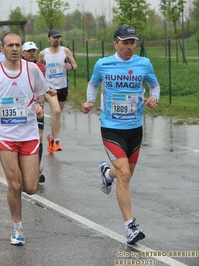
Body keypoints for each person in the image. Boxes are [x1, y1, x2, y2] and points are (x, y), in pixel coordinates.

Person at [81, 24, 160, 245]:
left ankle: (107, 174)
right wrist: (89, 101)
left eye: (132, 42)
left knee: (123, 175)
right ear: (115, 43)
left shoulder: (144, 64)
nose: (129, 47)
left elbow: (155, 86)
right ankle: (130, 228)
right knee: (124, 175)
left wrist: (155, 99)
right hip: (111, 127)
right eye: (125, 42)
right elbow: (93, 83)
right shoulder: (103, 64)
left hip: (135, 129)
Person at [0, 32, 48, 245]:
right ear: (3, 48)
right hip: (5, 135)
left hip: (28, 135)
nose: (15, 48)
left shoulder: (32, 69)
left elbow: (41, 94)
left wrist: (38, 105)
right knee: (15, 184)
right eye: (11, 45)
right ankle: (17, 228)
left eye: (18, 44)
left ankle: (18, 222)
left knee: (31, 188)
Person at [21, 41, 59, 183]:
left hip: (36, 105)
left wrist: (42, 100)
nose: (32, 53)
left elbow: (41, 84)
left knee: (39, 135)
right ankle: (23, 165)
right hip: (21, 106)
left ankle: (35, 168)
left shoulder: (40, 66)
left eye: (34, 51)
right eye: (29, 51)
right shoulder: (18, 66)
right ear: (22, 53)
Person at [39, 29, 77, 154]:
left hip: (63, 86)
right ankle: (56, 140)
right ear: (48, 39)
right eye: (54, 37)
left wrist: (70, 66)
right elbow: (38, 69)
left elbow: (75, 65)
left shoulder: (65, 51)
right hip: (49, 87)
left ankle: (51, 137)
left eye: (58, 38)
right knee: (56, 110)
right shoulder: (43, 54)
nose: (56, 40)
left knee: (58, 114)